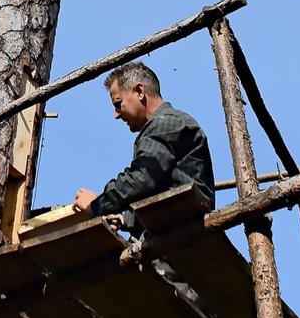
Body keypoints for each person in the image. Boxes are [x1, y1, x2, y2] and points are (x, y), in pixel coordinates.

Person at [72, 60, 215, 234]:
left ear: (139, 91)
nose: (116, 114)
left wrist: (96, 205)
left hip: (182, 234)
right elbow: (161, 192)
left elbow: (143, 178)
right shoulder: (169, 125)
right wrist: (125, 219)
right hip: (178, 230)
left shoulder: (167, 123)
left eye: (118, 103)